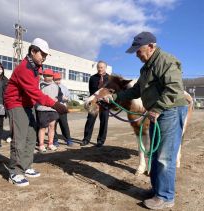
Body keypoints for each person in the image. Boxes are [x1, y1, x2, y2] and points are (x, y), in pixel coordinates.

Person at [105, 32, 188, 210]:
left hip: (170, 111)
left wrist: (157, 108)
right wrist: (116, 97)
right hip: (158, 112)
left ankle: (166, 197)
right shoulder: (146, 68)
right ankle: (157, 190)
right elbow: (136, 91)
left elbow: (174, 89)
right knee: (155, 154)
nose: (137, 54)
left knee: (165, 157)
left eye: (138, 51)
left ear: (151, 46)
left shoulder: (165, 61)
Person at [4, 38, 67, 187]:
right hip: (16, 103)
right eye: (42, 54)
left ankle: (25, 166)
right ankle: (15, 172)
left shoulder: (36, 67)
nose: (43, 58)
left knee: (31, 136)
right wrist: (56, 104)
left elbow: (34, 92)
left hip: (28, 104)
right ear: (33, 51)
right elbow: (35, 92)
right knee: (19, 138)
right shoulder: (24, 68)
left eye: (46, 55)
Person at [80, 61, 109, 147]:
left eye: (101, 67)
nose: (100, 69)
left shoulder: (109, 78)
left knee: (104, 122)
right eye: (98, 67)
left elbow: (111, 91)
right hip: (94, 103)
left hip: (105, 104)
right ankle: (86, 139)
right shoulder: (92, 78)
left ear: (105, 68)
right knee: (90, 121)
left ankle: (100, 141)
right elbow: (91, 91)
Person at [36, 69, 59, 152]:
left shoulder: (56, 86)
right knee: (42, 127)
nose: (49, 77)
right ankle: (41, 145)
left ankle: (50, 144)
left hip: (53, 109)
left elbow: (58, 97)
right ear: (43, 76)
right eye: (47, 76)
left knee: (52, 127)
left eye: (50, 76)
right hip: (42, 109)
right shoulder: (39, 84)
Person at [53, 72, 73, 147]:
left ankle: (68, 139)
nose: (57, 81)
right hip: (53, 109)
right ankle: (55, 140)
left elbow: (69, 97)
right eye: (55, 80)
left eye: (59, 79)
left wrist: (66, 98)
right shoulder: (51, 87)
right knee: (53, 126)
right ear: (53, 80)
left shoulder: (64, 88)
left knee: (64, 125)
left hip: (62, 109)